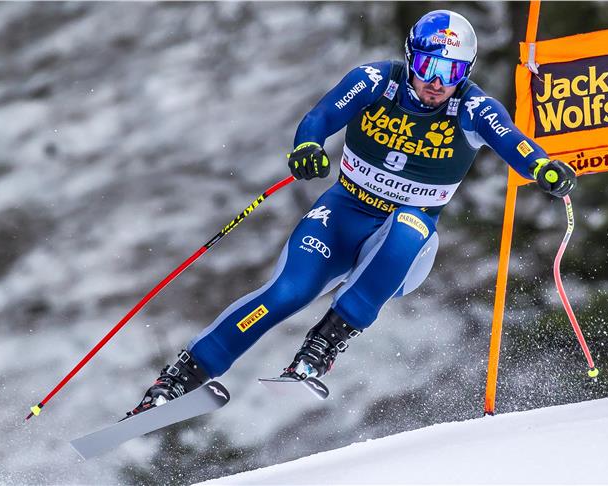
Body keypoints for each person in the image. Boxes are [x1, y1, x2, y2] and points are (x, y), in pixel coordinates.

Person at [126, 9, 576, 417]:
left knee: (410, 220)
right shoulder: (376, 81)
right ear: (410, 59)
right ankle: (177, 381)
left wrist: (542, 168)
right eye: (427, 67)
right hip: (341, 216)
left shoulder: (472, 108)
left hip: (403, 247)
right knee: (286, 292)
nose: (437, 82)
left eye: (452, 71)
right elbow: (321, 116)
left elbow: (512, 141)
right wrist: (307, 146)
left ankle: (321, 347)